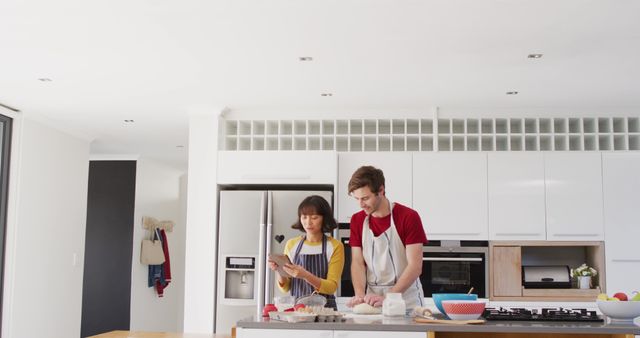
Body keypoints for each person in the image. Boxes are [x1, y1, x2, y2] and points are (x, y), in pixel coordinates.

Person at [346, 166, 427, 309]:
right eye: (357, 198)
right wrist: (359, 295)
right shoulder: (357, 220)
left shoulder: (408, 217)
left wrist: (388, 297)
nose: (360, 204)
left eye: (365, 198)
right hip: (372, 301)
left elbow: (415, 266)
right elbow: (358, 262)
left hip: (406, 301)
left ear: (381, 191)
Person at [268, 195, 345, 310]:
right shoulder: (291, 244)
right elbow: (286, 288)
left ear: (324, 218)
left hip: (325, 312)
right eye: (304, 217)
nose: (308, 222)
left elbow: (331, 287)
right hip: (298, 311)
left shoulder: (335, 246)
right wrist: (278, 270)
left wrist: (305, 275)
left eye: (314, 217)